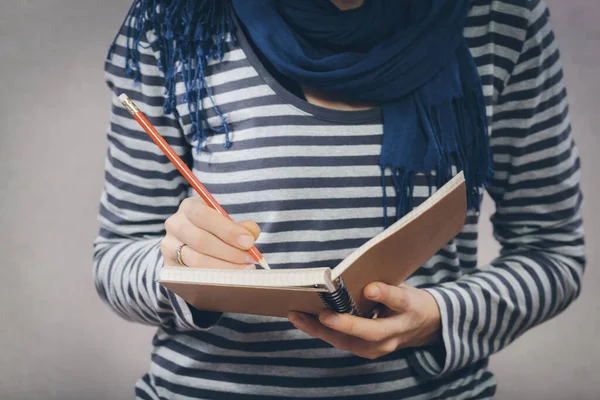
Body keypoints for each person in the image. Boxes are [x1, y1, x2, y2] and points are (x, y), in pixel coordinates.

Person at [93, 0, 585, 398]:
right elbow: (115, 258)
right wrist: (184, 272)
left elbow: (554, 250)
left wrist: (440, 316)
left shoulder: (502, 18)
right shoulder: (176, 19)